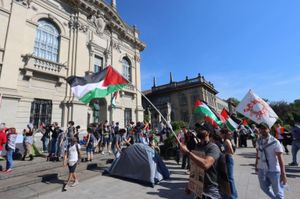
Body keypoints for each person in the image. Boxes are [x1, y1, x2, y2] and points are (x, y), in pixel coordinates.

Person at [180, 123, 222, 199]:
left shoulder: (213, 147)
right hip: (199, 187)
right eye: (199, 128)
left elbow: (205, 164)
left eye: (202, 129)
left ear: (208, 133)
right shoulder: (198, 146)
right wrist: (190, 184)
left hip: (211, 189)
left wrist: (188, 153)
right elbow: (194, 167)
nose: (199, 130)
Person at [255, 122, 287, 199]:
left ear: (269, 129)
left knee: (278, 192)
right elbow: (257, 153)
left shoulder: (275, 142)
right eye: (260, 129)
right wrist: (256, 165)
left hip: (273, 170)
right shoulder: (259, 141)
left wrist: (283, 173)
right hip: (261, 169)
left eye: (264, 128)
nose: (262, 130)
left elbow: (280, 158)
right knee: (264, 188)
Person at [220, 128, 238, 199]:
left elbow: (232, 152)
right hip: (226, 158)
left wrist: (224, 153)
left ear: (224, 134)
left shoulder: (227, 140)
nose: (220, 134)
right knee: (228, 177)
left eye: (221, 133)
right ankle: (232, 194)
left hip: (229, 158)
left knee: (230, 178)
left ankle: (233, 196)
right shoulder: (224, 140)